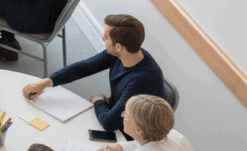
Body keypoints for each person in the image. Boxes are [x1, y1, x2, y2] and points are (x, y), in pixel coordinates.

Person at [22, 14, 164, 135]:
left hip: (131, 132)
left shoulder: (141, 81)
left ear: (119, 46)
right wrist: (45, 83)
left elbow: (110, 123)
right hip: (117, 110)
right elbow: (83, 67)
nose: (103, 39)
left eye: (106, 37)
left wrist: (98, 101)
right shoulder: (125, 53)